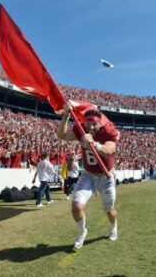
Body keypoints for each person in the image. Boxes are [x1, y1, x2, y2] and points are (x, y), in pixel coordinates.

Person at [57, 102, 120, 249]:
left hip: (106, 176)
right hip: (88, 175)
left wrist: (96, 144)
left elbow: (110, 149)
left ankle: (113, 226)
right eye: (88, 124)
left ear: (100, 124)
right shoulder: (80, 129)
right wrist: (66, 115)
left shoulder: (108, 131)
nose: (90, 127)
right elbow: (61, 135)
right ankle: (82, 231)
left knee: (109, 210)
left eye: (94, 125)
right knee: (76, 206)